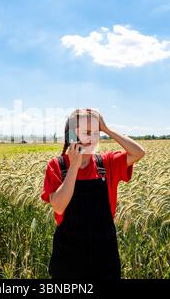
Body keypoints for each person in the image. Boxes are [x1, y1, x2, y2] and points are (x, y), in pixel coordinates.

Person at [41, 108, 146, 279]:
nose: (92, 137)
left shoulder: (107, 162)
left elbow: (139, 152)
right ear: (72, 135)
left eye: (96, 132)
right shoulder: (57, 166)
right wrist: (74, 165)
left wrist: (107, 129)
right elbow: (59, 207)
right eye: (86, 132)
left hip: (104, 253)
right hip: (70, 256)